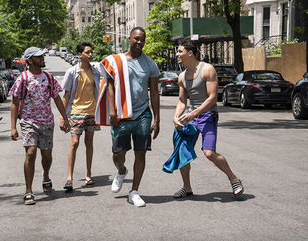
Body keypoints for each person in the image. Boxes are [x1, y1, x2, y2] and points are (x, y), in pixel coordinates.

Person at [95, 27, 160, 207]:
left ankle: (134, 191)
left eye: (142, 39)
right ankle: (121, 171)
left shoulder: (150, 64)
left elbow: (154, 94)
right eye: (136, 39)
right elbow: (110, 87)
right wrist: (112, 112)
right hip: (121, 115)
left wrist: (157, 119)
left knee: (141, 153)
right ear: (129, 39)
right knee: (118, 153)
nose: (139, 42)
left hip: (143, 115)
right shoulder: (116, 62)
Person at [172, 38, 244, 198]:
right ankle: (187, 187)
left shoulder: (207, 69)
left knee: (209, 152)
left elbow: (212, 98)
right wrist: (176, 116)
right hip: (190, 116)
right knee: (183, 152)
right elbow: (182, 101)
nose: (177, 54)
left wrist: (193, 113)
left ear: (190, 53)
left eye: (180, 51)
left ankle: (234, 178)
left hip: (207, 115)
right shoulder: (182, 76)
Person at [10, 47, 70, 205]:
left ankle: (46, 175)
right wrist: (13, 127)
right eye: (39, 57)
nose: (43, 58)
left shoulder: (49, 78)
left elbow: (57, 99)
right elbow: (15, 103)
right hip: (29, 122)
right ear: (30, 60)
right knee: (30, 153)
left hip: (47, 122)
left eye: (43, 56)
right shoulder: (22, 78)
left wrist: (65, 118)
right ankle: (28, 191)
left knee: (47, 156)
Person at [60, 41, 101, 191]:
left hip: (91, 112)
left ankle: (88, 174)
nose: (90, 55)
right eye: (87, 52)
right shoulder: (72, 72)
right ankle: (69, 177)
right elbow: (66, 95)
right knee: (74, 142)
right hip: (76, 111)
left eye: (91, 52)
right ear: (79, 55)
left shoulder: (95, 71)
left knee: (89, 143)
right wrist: (63, 117)